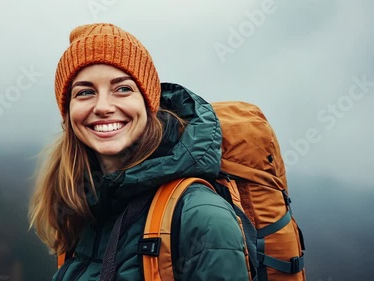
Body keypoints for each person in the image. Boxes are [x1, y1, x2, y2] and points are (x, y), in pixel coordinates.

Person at [29, 23, 249, 281]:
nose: (103, 107)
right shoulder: (82, 208)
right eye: (85, 92)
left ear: (149, 103)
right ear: (67, 114)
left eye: (123, 88)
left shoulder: (200, 216)